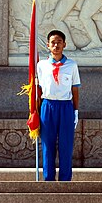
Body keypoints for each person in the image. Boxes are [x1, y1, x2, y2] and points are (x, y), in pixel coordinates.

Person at [37, 30, 80, 181]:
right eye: (53, 43)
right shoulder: (41, 65)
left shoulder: (71, 65)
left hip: (65, 106)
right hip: (48, 106)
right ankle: (48, 179)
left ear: (64, 45)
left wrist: (75, 110)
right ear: (48, 45)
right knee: (48, 145)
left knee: (66, 145)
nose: (56, 45)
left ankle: (65, 179)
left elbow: (75, 88)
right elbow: (38, 89)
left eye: (59, 42)